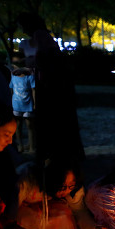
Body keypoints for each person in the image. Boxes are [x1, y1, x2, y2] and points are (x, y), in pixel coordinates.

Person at [17, 12, 84, 162]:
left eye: (22, 26)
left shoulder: (40, 36)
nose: (21, 30)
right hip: (50, 84)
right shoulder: (41, 37)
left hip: (50, 86)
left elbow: (44, 58)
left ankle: (51, 153)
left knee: (50, 120)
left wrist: (30, 62)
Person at [9, 61, 36, 153]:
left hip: (28, 104)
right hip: (16, 105)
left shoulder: (29, 77)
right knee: (18, 126)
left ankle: (31, 146)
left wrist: (34, 103)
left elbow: (33, 90)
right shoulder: (13, 76)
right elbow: (11, 89)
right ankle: (20, 146)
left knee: (30, 126)